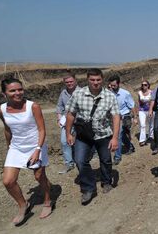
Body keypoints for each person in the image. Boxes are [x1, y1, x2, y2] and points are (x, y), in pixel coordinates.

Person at [0, 77, 52, 225]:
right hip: (16, 147)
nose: (17, 93)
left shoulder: (33, 106)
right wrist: (9, 147)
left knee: (39, 177)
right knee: (8, 181)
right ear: (4, 93)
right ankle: (23, 205)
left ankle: (47, 201)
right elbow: (7, 129)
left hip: (35, 145)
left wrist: (38, 150)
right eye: (12, 90)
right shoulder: (0, 109)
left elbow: (41, 129)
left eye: (20, 89)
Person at [65, 68, 120, 205]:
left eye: (98, 80)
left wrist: (115, 138)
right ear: (87, 80)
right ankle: (88, 188)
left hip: (103, 134)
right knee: (79, 160)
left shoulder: (110, 96)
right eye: (92, 80)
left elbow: (116, 117)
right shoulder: (78, 94)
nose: (95, 83)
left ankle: (106, 181)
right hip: (83, 135)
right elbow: (71, 114)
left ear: (102, 80)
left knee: (106, 160)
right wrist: (68, 133)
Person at [109, 75, 138, 165]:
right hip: (114, 117)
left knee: (118, 135)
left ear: (119, 84)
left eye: (114, 85)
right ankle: (130, 147)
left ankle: (117, 157)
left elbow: (132, 106)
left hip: (124, 117)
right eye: (111, 85)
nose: (113, 87)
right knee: (122, 135)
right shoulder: (109, 93)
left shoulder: (125, 93)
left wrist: (135, 117)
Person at [56, 72, 81, 174]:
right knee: (64, 141)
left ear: (75, 81)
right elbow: (59, 107)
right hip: (67, 122)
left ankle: (81, 160)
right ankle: (69, 163)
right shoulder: (63, 93)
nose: (69, 83)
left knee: (80, 142)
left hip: (80, 122)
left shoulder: (82, 92)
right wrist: (59, 119)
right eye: (67, 82)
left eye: (71, 81)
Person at [137, 80, 154, 147]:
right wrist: (138, 110)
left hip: (150, 110)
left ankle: (150, 136)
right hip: (142, 110)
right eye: (142, 85)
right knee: (143, 125)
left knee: (151, 124)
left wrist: (152, 109)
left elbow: (153, 101)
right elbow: (138, 101)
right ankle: (142, 140)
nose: (144, 86)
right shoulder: (139, 92)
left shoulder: (151, 92)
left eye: (145, 85)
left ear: (148, 85)